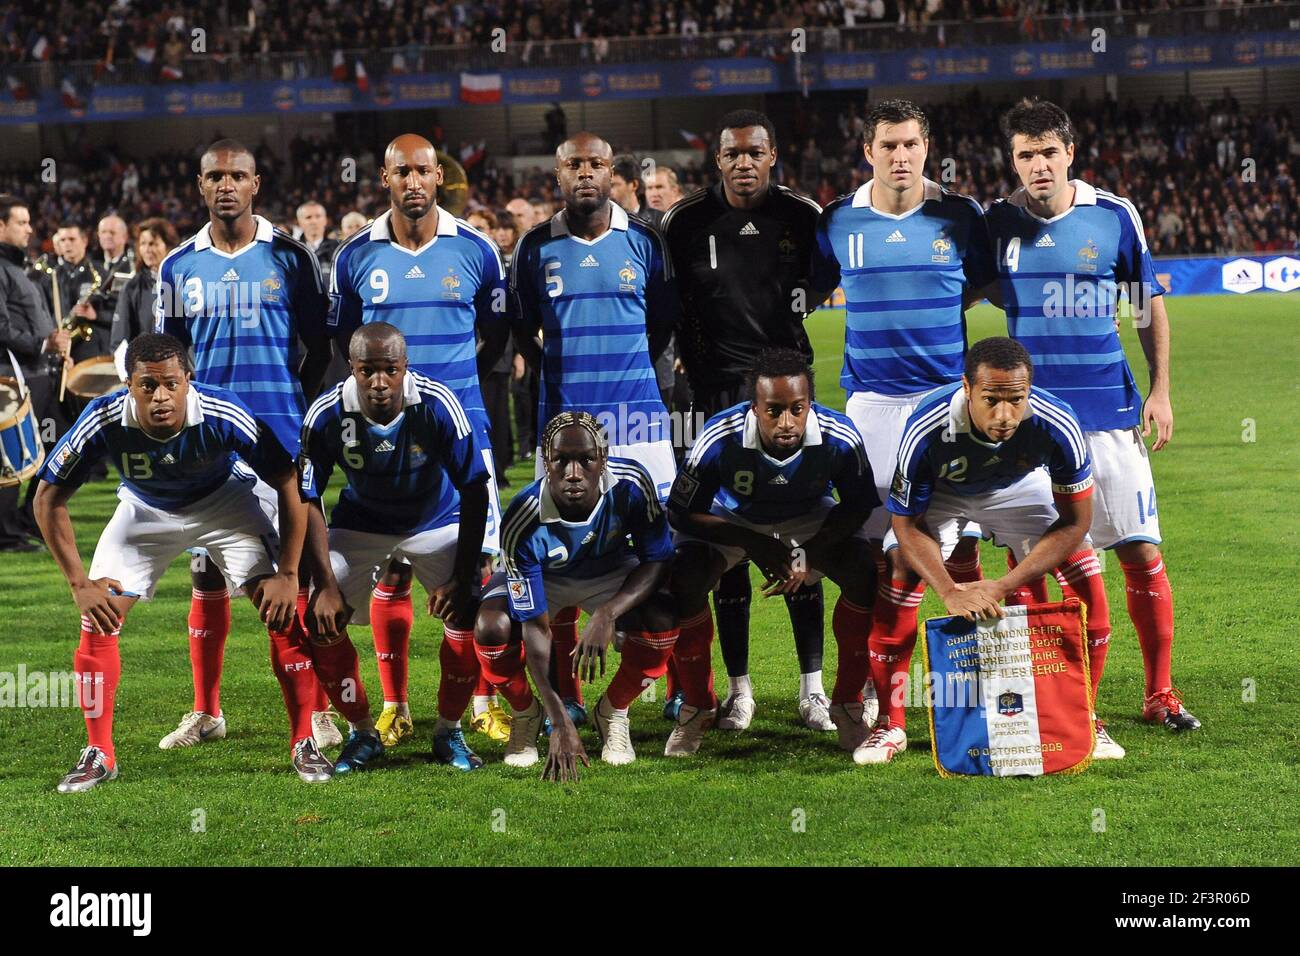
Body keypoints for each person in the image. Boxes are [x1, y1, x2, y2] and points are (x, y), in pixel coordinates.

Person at [34, 333, 337, 790]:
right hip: (145, 511)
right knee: (99, 619)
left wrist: (289, 574)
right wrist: (79, 584)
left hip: (224, 505)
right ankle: (99, 752)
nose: (160, 397)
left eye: (171, 384)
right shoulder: (102, 418)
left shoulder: (222, 410)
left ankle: (303, 742)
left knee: (279, 613)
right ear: (127, 385)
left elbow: (287, 479)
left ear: (188, 381)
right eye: (147, 385)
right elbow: (47, 498)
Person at [984, 98, 1199, 732]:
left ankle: (1159, 692)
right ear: (1013, 160)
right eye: (1026, 154)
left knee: (1140, 550)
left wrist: (1160, 391)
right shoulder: (996, 223)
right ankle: (1050, 695)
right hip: (1029, 428)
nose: (1039, 165)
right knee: (1036, 562)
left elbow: (1146, 304)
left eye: (1049, 152)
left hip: (1108, 415)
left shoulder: (1113, 215)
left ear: (1070, 152)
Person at [812, 99, 998, 739]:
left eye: (911, 144)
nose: (900, 156)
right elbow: (810, 286)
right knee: (866, 560)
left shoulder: (960, 215)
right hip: (870, 410)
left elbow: (978, 283)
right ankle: (850, 695)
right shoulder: (838, 220)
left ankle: (965, 691)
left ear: (928, 147)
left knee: (957, 550)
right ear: (868, 151)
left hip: (947, 405)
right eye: (887, 145)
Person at [154, 137, 336, 752]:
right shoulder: (178, 266)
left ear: (257, 184)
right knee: (206, 578)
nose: (226, 185)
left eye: (238, 175)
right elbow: (172, 358)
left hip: (281, 442)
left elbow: (318, 345)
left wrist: (286, 404)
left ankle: (320, 712)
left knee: (305, 578)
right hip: (208, 451)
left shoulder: (291, 256)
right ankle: (207, 711)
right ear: (200, 186)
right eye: (215, 177)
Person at [328, 133, 509, 748]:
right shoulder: (355, 257)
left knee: (477, 573)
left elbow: (497, 332)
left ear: (440, 177)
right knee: (393, 570)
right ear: (385, 178)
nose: (413, 182)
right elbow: (342, 343)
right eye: (401, 171)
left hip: (462, 434)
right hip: (384, 438)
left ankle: (481, 700)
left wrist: (452, 399)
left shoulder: (477, 251)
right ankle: (395, 705)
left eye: (423, 171)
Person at [660, 108, 836, 732]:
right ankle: (739, 690)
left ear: (771, 156)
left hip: (786, 394)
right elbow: (670, 301)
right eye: (731, 153)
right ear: (717, 161)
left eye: (753, 152)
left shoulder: (801, 216)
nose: (743, 163)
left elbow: (822, 282)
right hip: (711, 397)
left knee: (798, 528)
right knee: (725, 542)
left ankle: (813, 689)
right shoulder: (685, 220)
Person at [880, 337, 1121, 764]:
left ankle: (1086, 716)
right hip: (945, 494)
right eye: (991, 399)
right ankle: (890, 725)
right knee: (900, 564)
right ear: (967, 389)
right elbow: (906, 523)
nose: (1005, 415)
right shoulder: (927, 424)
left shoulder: (1057, 421)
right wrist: (950, 590)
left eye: (1017, 400)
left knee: (1087, 573)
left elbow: (1075, 522)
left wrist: (1004, 584)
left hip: (1017, 489)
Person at [510, 131, 678, 730]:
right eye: (573, 164)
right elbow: (525, 328)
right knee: (555, 564)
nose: (585, 173)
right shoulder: (533, 249)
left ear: (614, 171)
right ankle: (566, 696)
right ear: (556, 173)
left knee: (667, 554)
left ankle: (685, 689)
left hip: (639, 422)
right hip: (564, 434)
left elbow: (659, 327)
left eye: (596, 163)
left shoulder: (646, 241)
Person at [666, 349, 880, 757]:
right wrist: (751, 541)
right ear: (754, 408)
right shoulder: (719, 436)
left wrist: (809, 552)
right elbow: (681, 510)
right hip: (735, 519)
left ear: (809, 405)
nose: (786, 422)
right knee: (687, 577)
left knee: (863, 572)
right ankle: (697, 706)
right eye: (774, 410)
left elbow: (858, 506)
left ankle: (848, 704)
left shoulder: (840, 435)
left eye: (797, 409)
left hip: (809, 518)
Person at [300, 323, 492, 770]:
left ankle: (450, 732)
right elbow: (308, 496)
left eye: (390, 370)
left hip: (434, 521)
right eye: (368, 371)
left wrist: (464, 577)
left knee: (470, 613)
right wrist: (325, 584)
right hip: (362, 524)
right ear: (352, 369)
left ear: (405, 367)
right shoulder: (326, 413)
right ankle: (362, 733)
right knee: (319, 620)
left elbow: (475, 489)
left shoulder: (438, 404)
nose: (380, 382)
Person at [474, 412, 678, 778]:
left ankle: (613, 711)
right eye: (561, 460)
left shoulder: (632, 485)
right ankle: (528, 715)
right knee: (491, 628)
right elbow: (536, 629)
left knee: (662, 619)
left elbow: (657, 561)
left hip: (609, 573)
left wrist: (607, 614)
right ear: (545, 461)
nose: (573, 472)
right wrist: (559, 721)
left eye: (585, 459)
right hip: (547, 579)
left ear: (603, 458)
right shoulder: (523, 515)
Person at [0, 194, 68, 551]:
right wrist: (44, 345)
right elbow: (1, 327)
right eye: (21, 222)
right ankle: (7, 532)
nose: (29, 229)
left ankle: (28, 518)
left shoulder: (17, 267)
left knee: (55, 447)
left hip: (37, 373)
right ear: (1, 226)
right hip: (14, 376)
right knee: (13, 452)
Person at [110, 217, 177, 381]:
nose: (147, 249)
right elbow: (119, 341)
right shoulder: (132, 287)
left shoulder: (184, 282)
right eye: (143, 244)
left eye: (153, 243)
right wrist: (130, 378)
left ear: (168, 245)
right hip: (148, 374)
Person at [611, 153, 663, 230]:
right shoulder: (601, 224)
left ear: (634, 185)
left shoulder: (659, 221)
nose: (608, 192)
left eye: (613, 185)